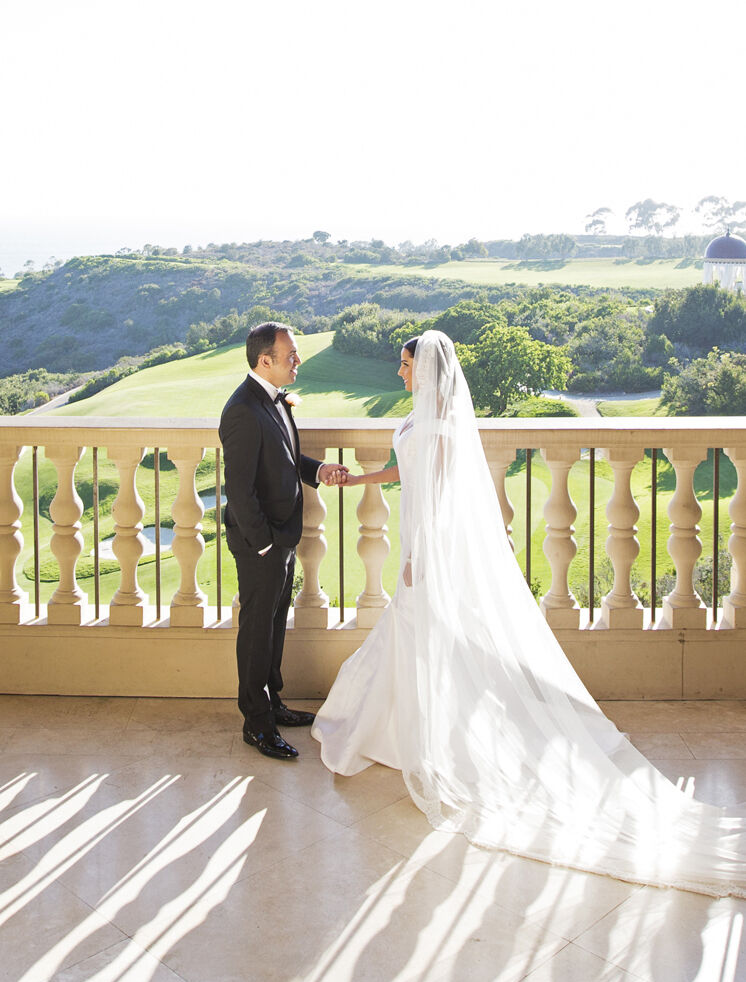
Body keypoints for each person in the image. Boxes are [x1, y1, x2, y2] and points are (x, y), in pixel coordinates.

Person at [312, 329, 746, 898]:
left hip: (428, 550)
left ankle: (423, 739)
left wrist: (418, 556)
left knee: (424, 637)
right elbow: (403, 472)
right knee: (414, 638)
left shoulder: (442, 427)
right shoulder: (421, 418)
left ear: (428, 371)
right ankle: (400, 735)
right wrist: (361, 479)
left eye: (405, 364)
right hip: (414, 547)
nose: (399, 372)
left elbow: (440, 495)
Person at [220, 321, 347, 760]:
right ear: (264, 361)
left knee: (274, 624)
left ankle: (273, 704)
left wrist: (317, 471)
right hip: (262, 543)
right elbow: (238, 490)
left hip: (281, 537)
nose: (298, 360)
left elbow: (286, 457)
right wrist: (265, 545)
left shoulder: (273, 400)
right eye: (291, 355)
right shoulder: (241, 410)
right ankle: (256, 725)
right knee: (257, 630)